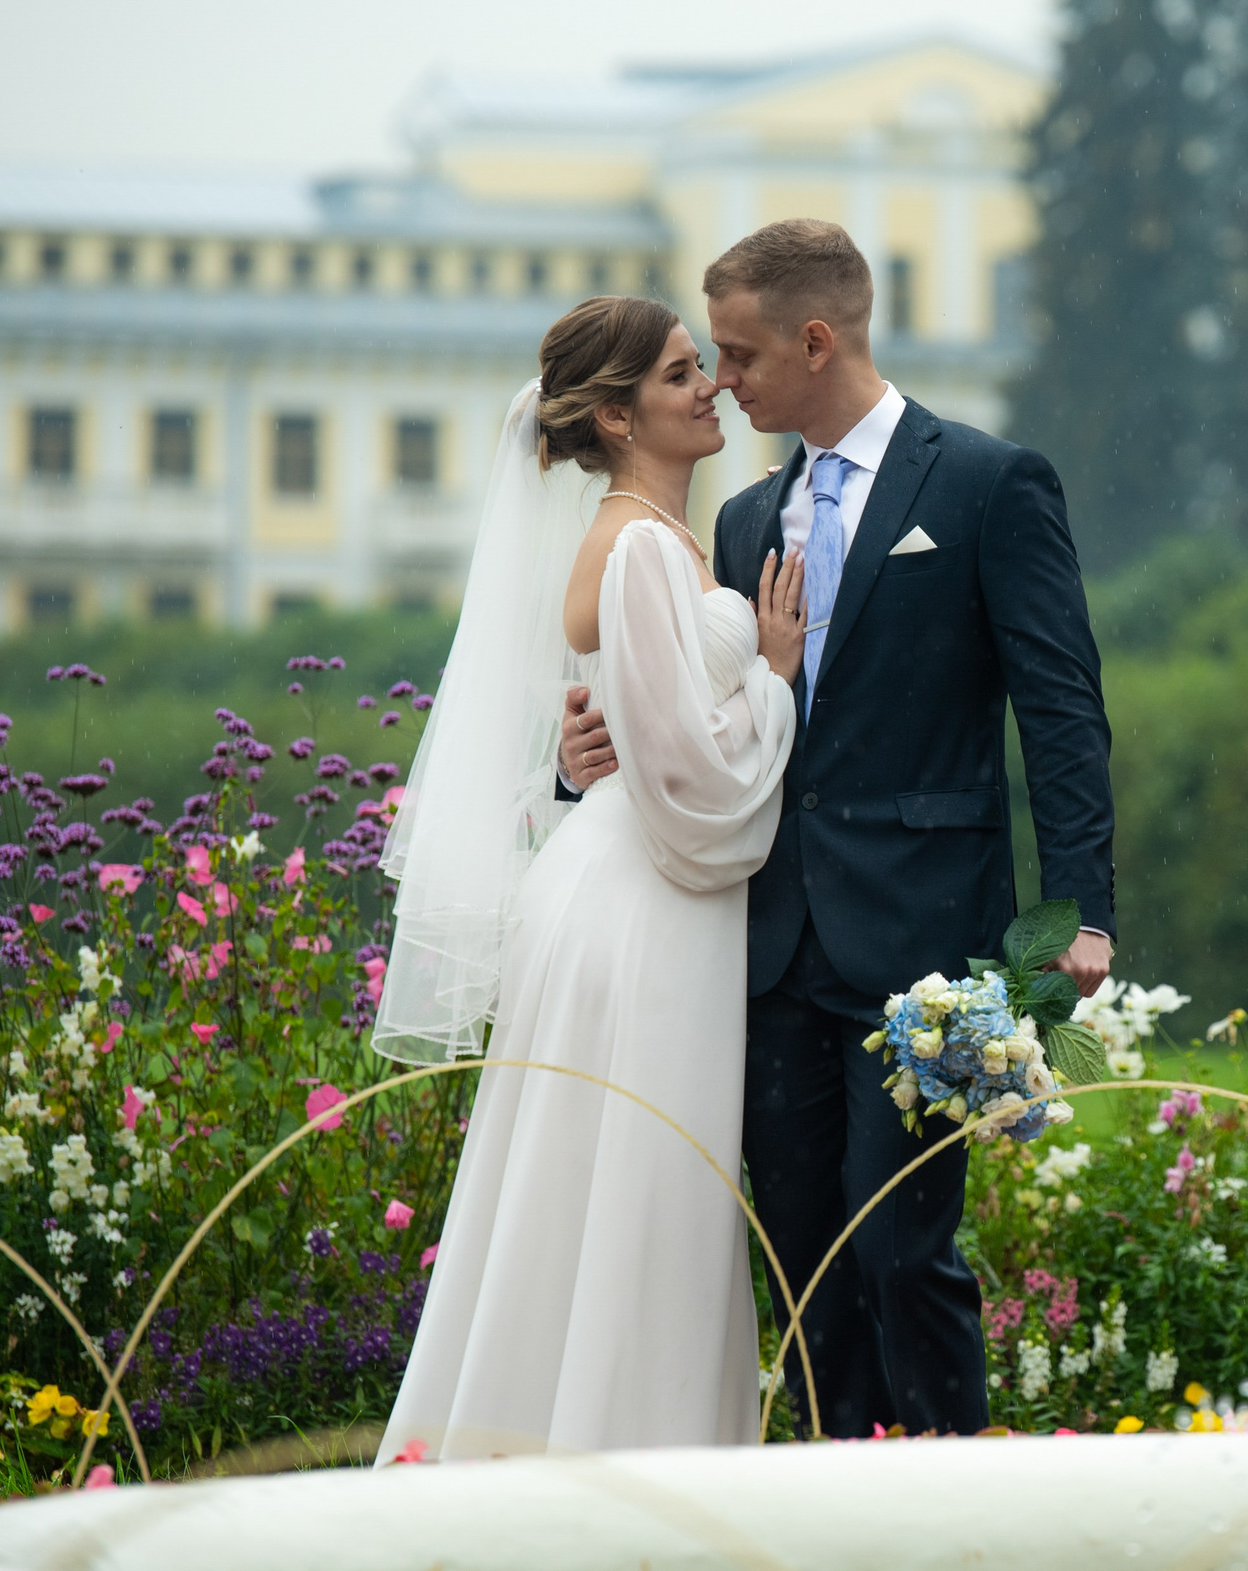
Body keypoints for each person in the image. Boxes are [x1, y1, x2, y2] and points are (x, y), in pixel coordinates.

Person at [560, 219, 1116, 1438]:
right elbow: (695, 721)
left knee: (903, 1249)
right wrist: (579, 764)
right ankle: (835, 1508)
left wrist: (1078, 908)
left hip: (924, 947)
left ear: (817, 339)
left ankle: (948, 1506)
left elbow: (1060, 705)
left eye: (742, 354)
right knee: (801, 1260)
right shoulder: (747, 517)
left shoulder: (983, 483)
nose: (724, 381)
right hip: (761, 948)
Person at [371, 296, 808, 1457]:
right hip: (648, 905)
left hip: (612, 883)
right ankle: (621, 1470)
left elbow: (636, 726)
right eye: (679, 373)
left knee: (601, 1193)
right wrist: (773, 676)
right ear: (616, 416)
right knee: (642, 1199)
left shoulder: (636, 545)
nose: (708, 383)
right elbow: (693, 790)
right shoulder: (644, 551)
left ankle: (573, 1449)